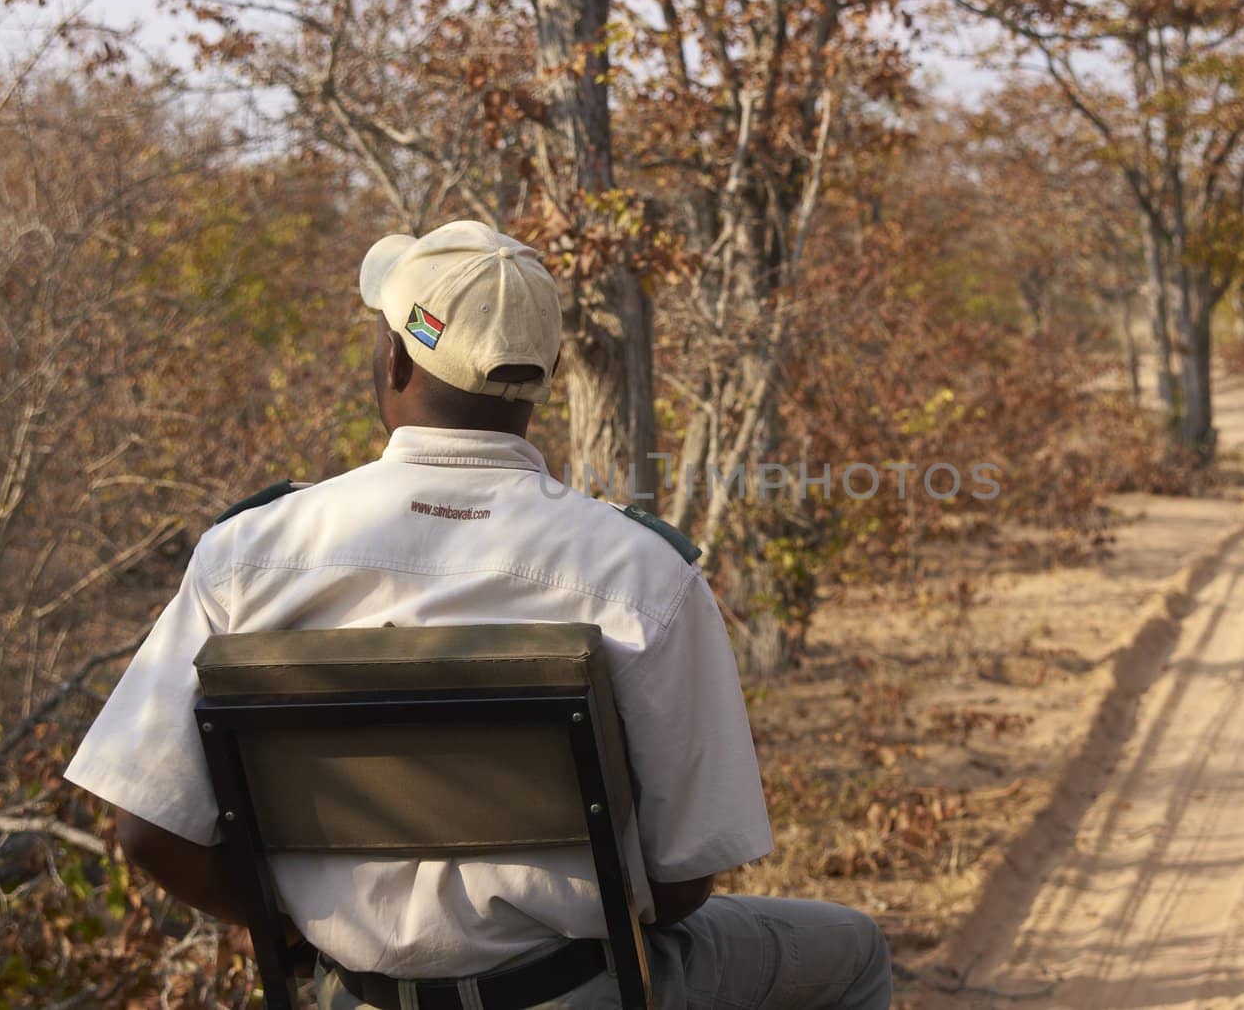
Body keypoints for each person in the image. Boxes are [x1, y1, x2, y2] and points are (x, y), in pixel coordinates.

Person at [64, 221, 892, 1009]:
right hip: (576, 986)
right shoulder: (643, 571)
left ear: (392, 358)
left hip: (356, 989)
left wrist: (294, 924)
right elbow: (679, 885)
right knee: (853, 951)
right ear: (548, 368)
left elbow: (148, 831)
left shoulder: (248, 554)